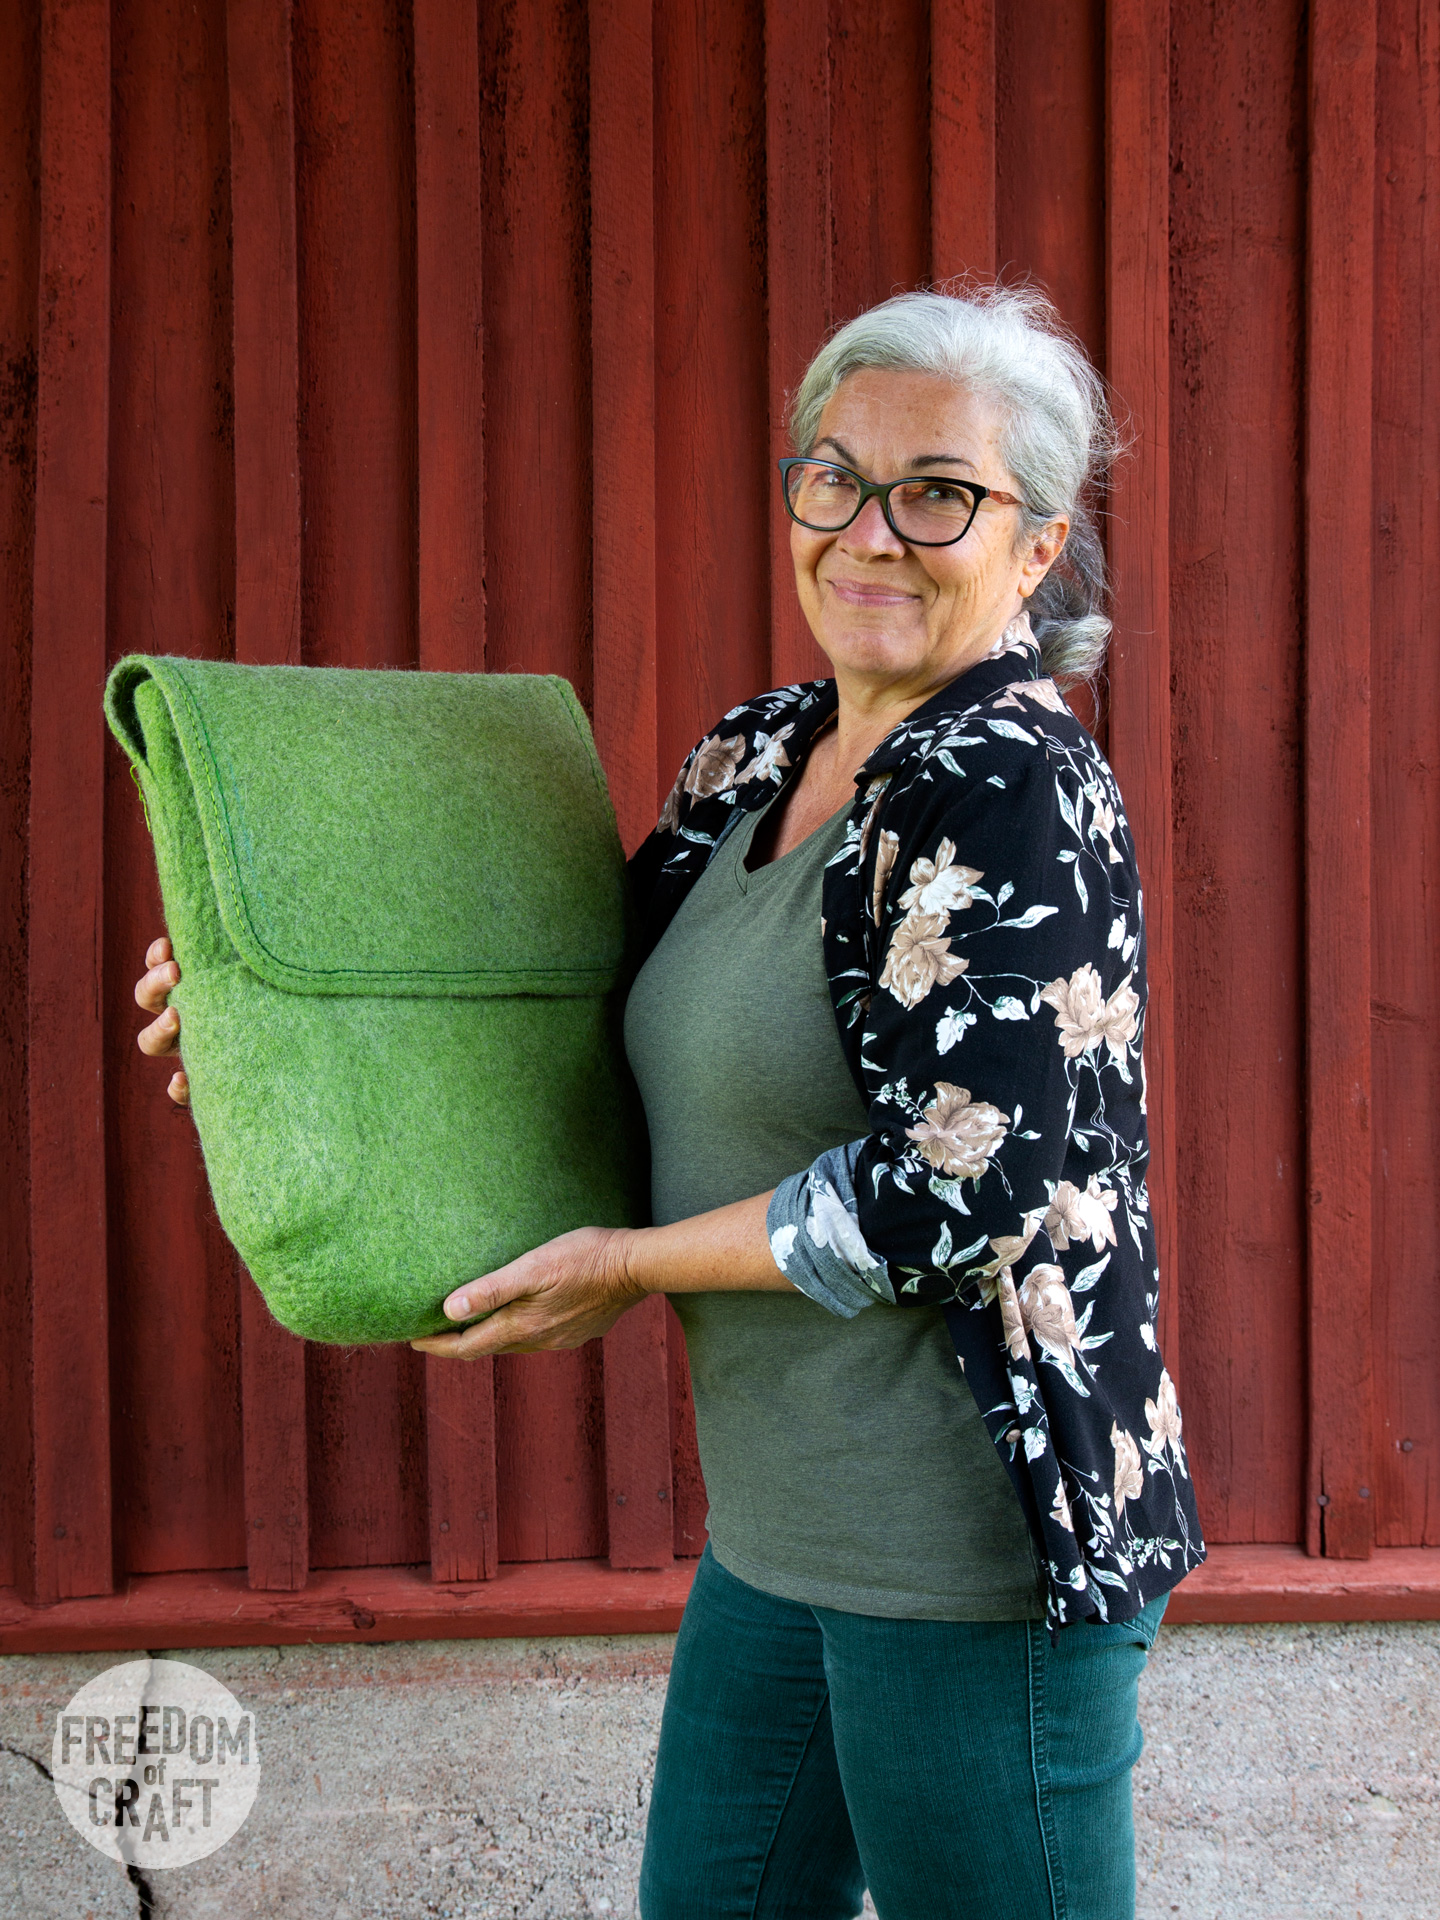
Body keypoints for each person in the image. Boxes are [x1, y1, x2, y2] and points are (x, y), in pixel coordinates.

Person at [135, 284, 1203, 1919]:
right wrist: (263, 1013)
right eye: (832, 476)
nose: (869, 531)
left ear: (1037, 546)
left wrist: (622, 1268)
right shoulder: (755, 757)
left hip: (973, 1557)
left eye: (938, 492)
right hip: (779, 1544)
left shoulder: (1010, 782)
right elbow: (568, 1021)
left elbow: (955, 1195)